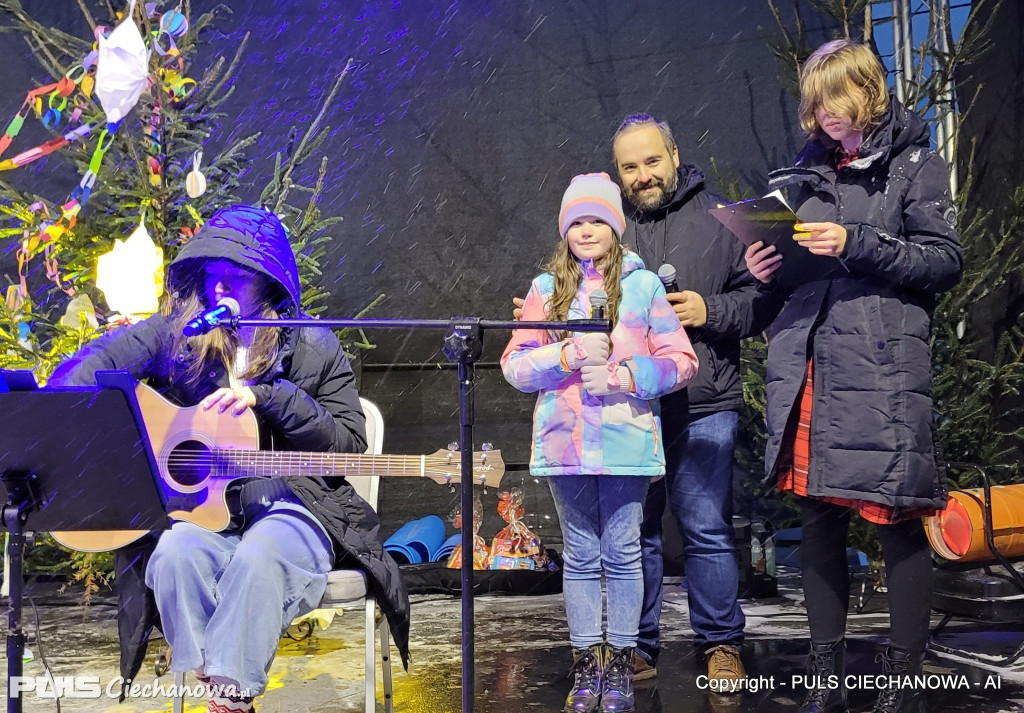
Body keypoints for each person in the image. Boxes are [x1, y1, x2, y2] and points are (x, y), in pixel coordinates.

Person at [49, 205, 411, 713]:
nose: (220, 291)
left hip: (296, 507)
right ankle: (226, 693)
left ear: (266, 283)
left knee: (260, 556)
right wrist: (57, 403)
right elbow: (94, 367)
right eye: (212, 277)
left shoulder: (312, 346)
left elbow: (349, 447)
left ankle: (227, 700)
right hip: (205, 517)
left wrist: (273, 396)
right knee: (175, 554)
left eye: (235, 280)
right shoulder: (178, 336)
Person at [744, 40, 962, 713]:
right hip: (811, 361)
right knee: (818, 520)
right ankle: (825, 679)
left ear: (867, 90)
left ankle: (902, 681)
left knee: (896, 521)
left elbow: (942, 260)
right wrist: (766, 266)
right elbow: (795, 268)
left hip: (880, 368)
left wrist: (854, 241)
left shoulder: (915, 165)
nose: (823, 112)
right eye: (815, 100)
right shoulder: (804, 175)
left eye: (835, 97)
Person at [502, 172, 698, 713]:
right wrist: (562, 357)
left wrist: (625, 375)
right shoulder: (547, 290)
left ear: (614, 227)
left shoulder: (643, 287)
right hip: (567, 445)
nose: (586, 231)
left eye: (597, 220)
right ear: (564, 230)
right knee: (582, 555)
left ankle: (621, 664)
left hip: (625, 442)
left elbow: (682, 361)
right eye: (577, 222)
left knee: (624, 551)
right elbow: (515, 368)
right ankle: (586, 664)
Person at [611, 113, 779, 685]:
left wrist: (711, 311)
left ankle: (721, 643)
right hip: (632, 407)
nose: (643, 175)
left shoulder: (725, 219)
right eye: (630, 166)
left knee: (706, 526)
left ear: (675, 156)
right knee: (639, 531)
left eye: (652, 161)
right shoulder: (606, 230)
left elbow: (765, 302)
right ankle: (638, 644)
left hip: (706, 401)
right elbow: (576, 299)